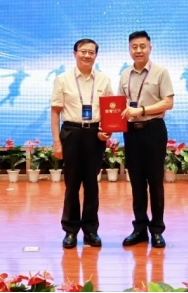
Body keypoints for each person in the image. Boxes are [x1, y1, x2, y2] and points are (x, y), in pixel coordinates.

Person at [51, 39, 112, 249]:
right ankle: (70, 230)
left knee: (92, 184)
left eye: (91, 52)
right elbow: (55, 112)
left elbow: (109, 110)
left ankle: (91, 230)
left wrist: (107, 131)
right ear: (74, 53)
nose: (87, 55)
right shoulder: (62, 79)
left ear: (96, 55)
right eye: (83, 51)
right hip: (71, 133)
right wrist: (56, 142)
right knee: (72, 185)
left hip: (94, 135)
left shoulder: (103, 80)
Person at [119, 31, 174, 248]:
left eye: (142, 46)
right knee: (137, 182)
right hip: (131, 133)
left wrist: (141, 110)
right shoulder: (125, 75)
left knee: (155, 182)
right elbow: (119, 105)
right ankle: (140, 228)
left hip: (153, 130)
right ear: (129, 49)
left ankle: (157, 230)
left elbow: (168, 103)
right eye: (134, 47)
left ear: (150, 48)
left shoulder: (161, 72)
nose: (138, 50)